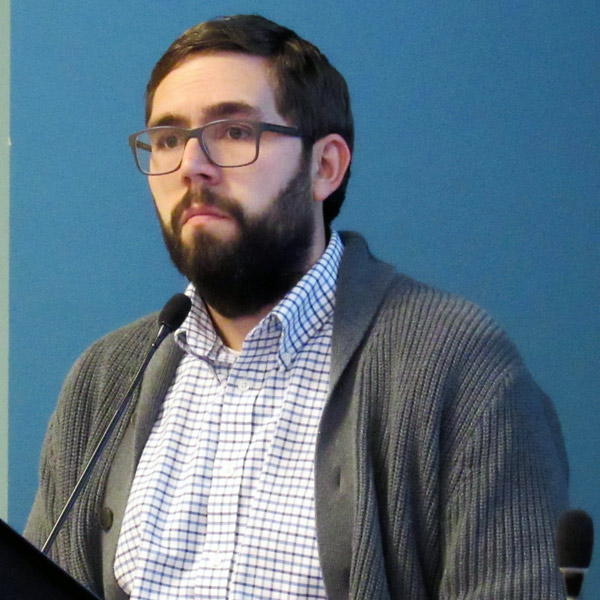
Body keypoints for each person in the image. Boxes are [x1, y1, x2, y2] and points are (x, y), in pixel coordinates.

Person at [25, 14, 569, 600]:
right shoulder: (105, 379)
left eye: (235, 131)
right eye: (167, 139)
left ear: (324, 167)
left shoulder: (460, 367)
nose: (191, 165)